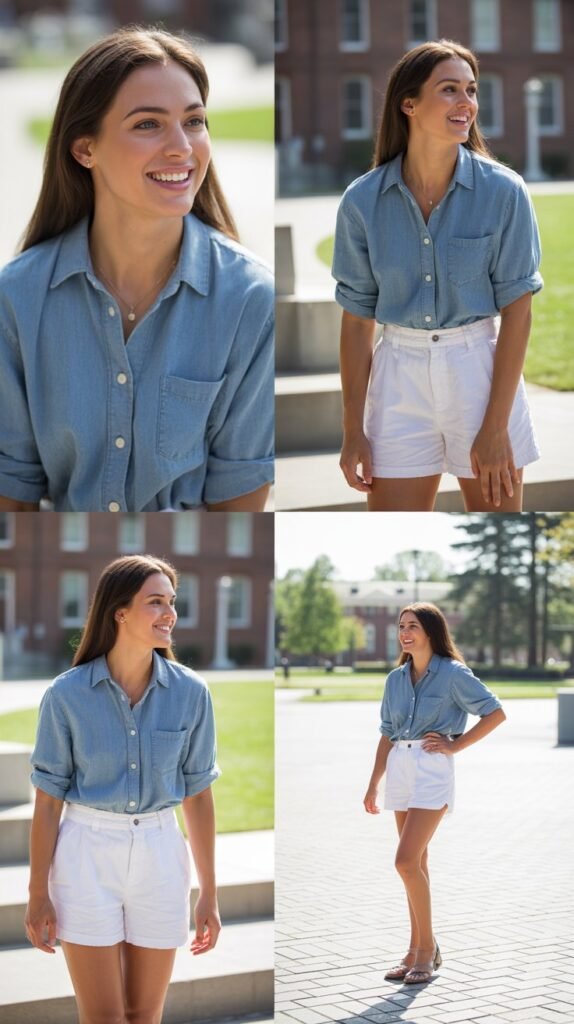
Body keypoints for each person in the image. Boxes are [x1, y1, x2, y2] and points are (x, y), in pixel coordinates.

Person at [0, 27, 273, 512]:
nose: (181, 147)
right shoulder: (17, 298)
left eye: (194, 121)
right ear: (85, 149)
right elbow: (11, 495)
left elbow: (239, 506)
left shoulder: (250, 299)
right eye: (148, 124)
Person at [333, 39, 543, 512]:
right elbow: (357, 321)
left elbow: (518, 312)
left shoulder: (504, 191)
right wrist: (352, 429)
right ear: (408, 104)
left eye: (471, 90)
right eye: (449, 89)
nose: (466, 102)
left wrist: (496, 426)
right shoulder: (362, 201)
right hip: (398, 381)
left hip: (480, 375)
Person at [25, 554, 221, 1023]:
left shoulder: (192, 693)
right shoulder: (66, 695)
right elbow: (48, 803)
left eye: (171, 601)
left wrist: (210, 893)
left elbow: (198, 795)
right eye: (156, 602)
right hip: (85, 857)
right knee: (104, 1018)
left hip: (160, 854)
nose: (170, 613)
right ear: (120, 612)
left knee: (143, 1015)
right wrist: (36, 893)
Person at [363, 603, 506, 985]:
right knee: (417, 864)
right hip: (399, 766)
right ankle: (415, 950)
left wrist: (456, 745)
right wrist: (374, 782)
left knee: (405, 861)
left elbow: (495, 713)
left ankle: (427, 951)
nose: (405, 633)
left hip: (431, 770)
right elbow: (386, 734)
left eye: (413, 626)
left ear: (431, 631)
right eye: (401, 626)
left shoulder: (453, 673)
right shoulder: (395, 679)